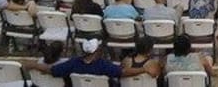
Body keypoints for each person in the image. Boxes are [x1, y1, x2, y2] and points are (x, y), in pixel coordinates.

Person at [26, 38, 155, 83]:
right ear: (96, 51)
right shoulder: (103, 65)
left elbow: (51, 70)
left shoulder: (73, 63)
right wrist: (143, 69)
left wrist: (34, 65)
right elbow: (124, 72)